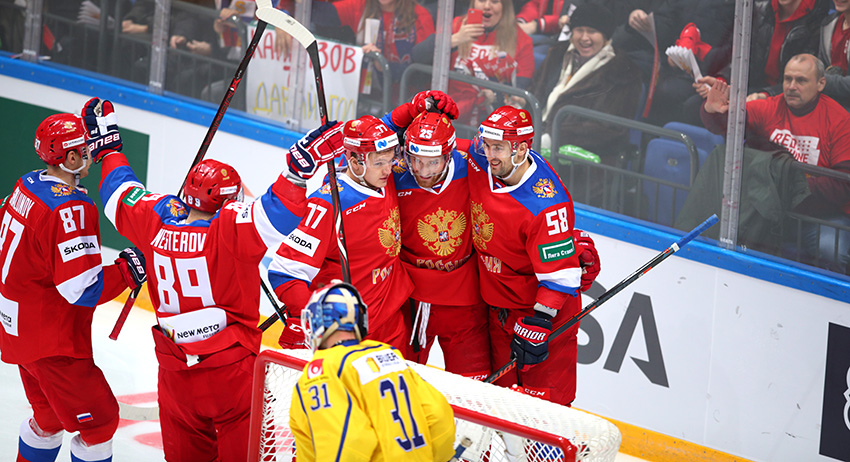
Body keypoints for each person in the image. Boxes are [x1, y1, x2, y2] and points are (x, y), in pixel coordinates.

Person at [92, 96, 342, 461]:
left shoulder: (155, 219)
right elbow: (278, 213)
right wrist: (296, 171)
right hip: (231, 375)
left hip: (176, 374)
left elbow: (117, 193)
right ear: (227, 201)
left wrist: (109, 149)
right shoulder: (228, 229)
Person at [0, 110, 146, 462]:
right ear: (69, 158)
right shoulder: (69, 207)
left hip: (15, 330)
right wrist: (128, 270)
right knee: (100, 426)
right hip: (53, 344)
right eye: (85, 148)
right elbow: (82, 289)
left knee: (48, 419)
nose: (91, 152)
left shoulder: (26, 184)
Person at [458, 105, 600, 405]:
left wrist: (541, 320)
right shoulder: (486, 159)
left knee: (547, 410)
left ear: (521, 149)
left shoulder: (546, 206)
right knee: (500, 404)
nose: (488, 154)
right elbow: (455, 149)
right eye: (486, 144)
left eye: (498, 147)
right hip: (499, 308)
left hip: (541, 318)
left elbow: (561, 276)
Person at [270, 114, 415, 355]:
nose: (388, 169)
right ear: (355, 163)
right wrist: (309, 318)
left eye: (391, 160)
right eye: (380, 163)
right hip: (347, 333)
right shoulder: (328, 204)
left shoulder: (381, 178)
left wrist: (410, 109)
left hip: (389, 320)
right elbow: (284, 272)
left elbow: (378, 130)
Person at [701, 53, 850, 272]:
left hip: (821, 215)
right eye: (788, 79)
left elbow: (843, 184)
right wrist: (712, 110)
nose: (791, 86)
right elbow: (725, 124)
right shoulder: (770, 106)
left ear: (821, 84)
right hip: (772, 211)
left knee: (831, 249)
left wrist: (788, 187)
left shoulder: (840, 121)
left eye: (801, 80)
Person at [290, 281, 457, 461]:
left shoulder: (323, 370)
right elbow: (439, 415)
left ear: (317, 320)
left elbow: (349, 442)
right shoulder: (389, 354)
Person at [385, 108, 491, 380]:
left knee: (473, 387)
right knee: (397, 381)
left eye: (432, 162)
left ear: (449, 154)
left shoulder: (474, 164)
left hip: (464, 300)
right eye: (416, 160)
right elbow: (349, 168)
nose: (423, 171)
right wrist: (401, 115)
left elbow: (523, 188)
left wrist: (567, 240)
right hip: (410, 297)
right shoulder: (394, 173)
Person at [531, 2, 641, 166]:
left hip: (581, 162)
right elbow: (534, 92)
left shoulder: (623, 72)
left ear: (605, 37)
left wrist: (554, 136)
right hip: (534, 143)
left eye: (592, 31)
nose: (584, 38)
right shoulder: (556, 54)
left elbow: (610, 128)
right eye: (579, 30)